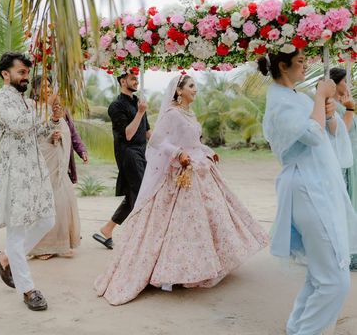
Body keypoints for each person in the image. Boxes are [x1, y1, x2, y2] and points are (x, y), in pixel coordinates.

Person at [94, 74, 269, 305]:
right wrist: (177, 153)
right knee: (182, 223)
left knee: (211, 217)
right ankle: (172, 269)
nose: (195, 90)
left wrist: (207, 150)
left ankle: (208, 264)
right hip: (180, 174)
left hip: (199, 169)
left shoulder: (189, 112)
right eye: (191, 86)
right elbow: (156, 141)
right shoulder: (171, 113)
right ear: (179, 91)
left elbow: (192, 141)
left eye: (195, 85)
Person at [260, 50, 357, 335]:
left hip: (320, 184)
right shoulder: (279, 102)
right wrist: (319, 97)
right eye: (301, 62)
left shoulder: (297, 97)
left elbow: (326, 136)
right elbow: (310, 136)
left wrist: (329, 117)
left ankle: (296, 328)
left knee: (319, 274)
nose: (306, 66)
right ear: (282, 65)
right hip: (306, 187)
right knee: (336, 281)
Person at [0, 52, 62, 311]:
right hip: (15, 174)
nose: (25, 78)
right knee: (16, 232)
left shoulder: (28, 103)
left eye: (26, 73)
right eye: (21, 72)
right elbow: (19, 126)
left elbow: (37, 131)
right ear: (5, 74)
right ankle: (28, 289)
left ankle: (4, 257)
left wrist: (52, 120)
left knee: (47, 220)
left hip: (36, 171)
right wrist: (43, 107)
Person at [93, 71, 150, 249]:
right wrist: (140, 113)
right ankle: (140, 237)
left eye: (136, 78)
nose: (136, 81)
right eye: (132, 78)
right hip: (128, 153)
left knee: (135, 194)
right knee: (142, 195)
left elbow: (147, 132)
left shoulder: (138, 103)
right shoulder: (116, 106)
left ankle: (107, 229)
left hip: (142, 151)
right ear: (122, 81)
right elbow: (128, 134)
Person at [27, 75, 80, 260]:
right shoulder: (31, 108)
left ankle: (59, 244)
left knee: (63, 202)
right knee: (48, 203)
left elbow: (68, 131)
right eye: (43, 86)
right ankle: (42, 247)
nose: (48, 89)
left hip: (58, 163)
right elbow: (31, 136)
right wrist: (50, 137)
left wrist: (57, 132)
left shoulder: (54, 108)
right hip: (42, 162)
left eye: (49, 85)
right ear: (34, 89)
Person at [330, 67, 357, 270]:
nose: (348, 85)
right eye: (346, 81)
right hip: (345, 163)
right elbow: (340, 132)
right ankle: (345, 253)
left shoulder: (342, 103)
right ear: (337, 83)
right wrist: (350, 109)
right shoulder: (334, 107)